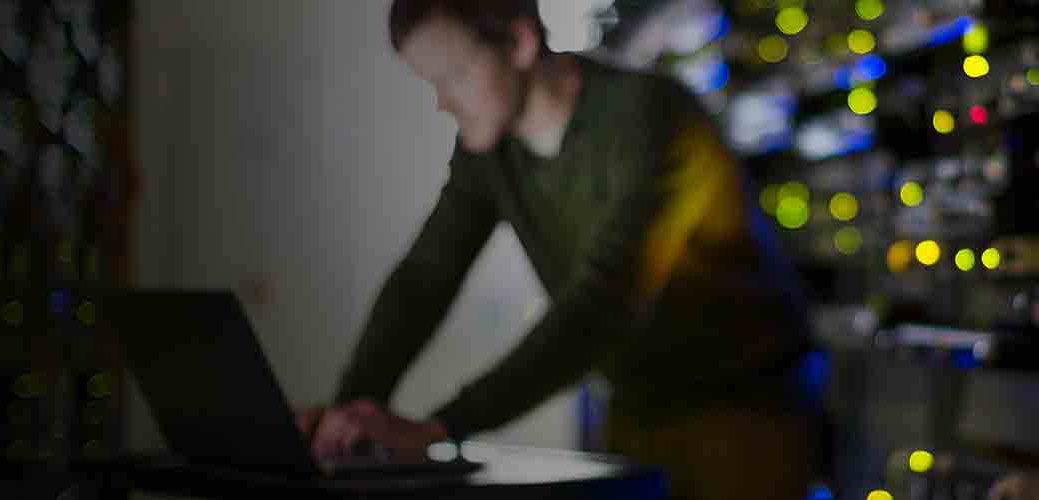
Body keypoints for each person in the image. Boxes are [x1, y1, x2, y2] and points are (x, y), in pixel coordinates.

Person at [295, 1, 822, 499]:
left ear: (520, 42)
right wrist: (348, 413)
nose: (443, 101)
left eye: (452, 76)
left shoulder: (651, 117)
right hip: (637, 412)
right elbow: (425, 277)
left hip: (748, 413)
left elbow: (603, 305)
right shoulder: (490, 149)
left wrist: (439, 429)